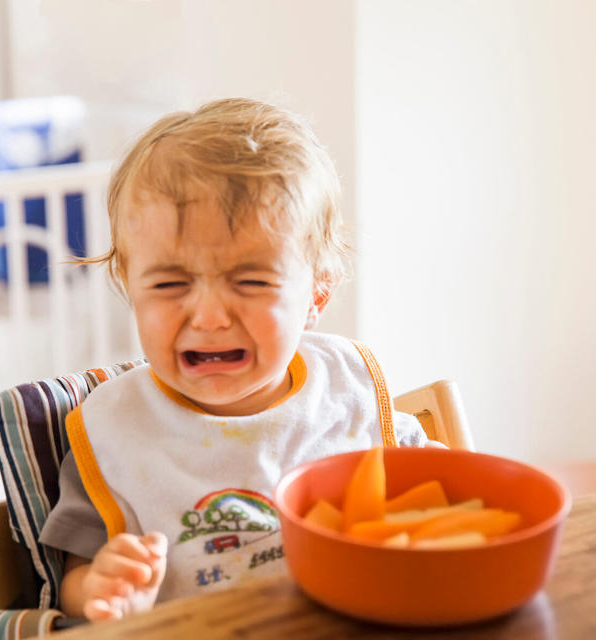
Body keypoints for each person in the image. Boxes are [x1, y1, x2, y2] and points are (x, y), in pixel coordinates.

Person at [38, 98, 441, 622]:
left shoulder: (344, 389)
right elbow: (74, 577)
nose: (207, 316)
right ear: (128, 287)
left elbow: (439, 481)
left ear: (317, 295)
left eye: (250, 281)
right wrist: (101, 588)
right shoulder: (118, 430)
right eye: (169, 284)